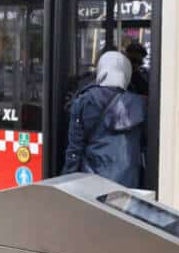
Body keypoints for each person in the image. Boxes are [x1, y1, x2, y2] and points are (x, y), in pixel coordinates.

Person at [63, 50, 147, 188]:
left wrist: (66, 180)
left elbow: (75, 148)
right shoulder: (139, 104)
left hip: (93, 180)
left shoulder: (85, 100)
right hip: (129, 180)